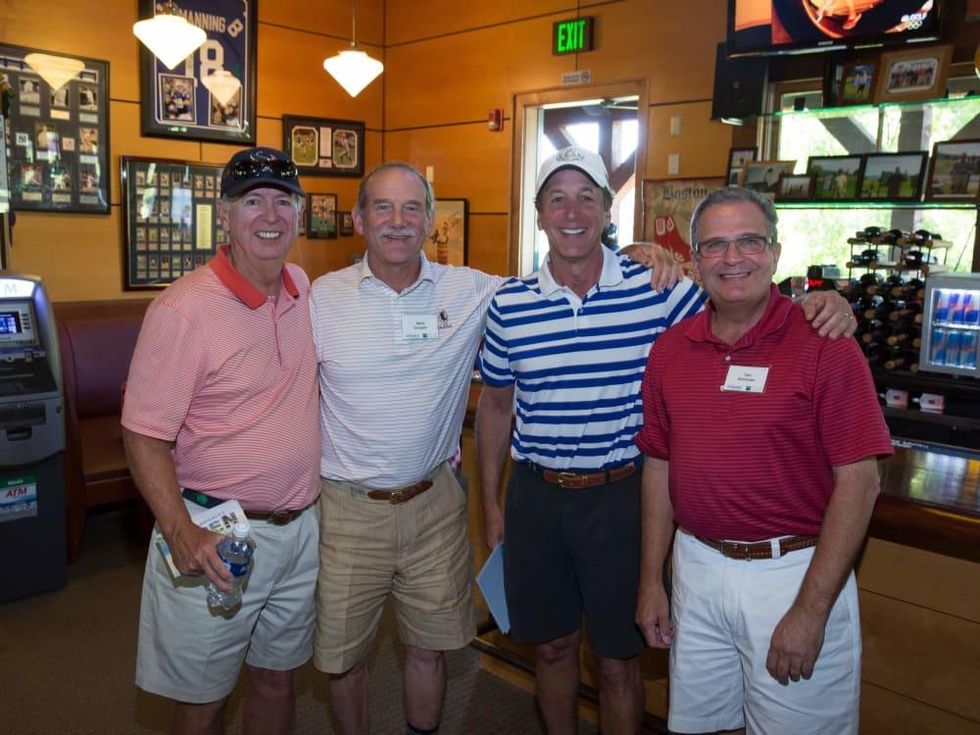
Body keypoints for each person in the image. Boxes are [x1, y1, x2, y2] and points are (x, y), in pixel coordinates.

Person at [476, 148, 855, 734]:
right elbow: (497, 407)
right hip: (537, 496)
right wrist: (493, 506)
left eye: (587, 198)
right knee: (550, 650)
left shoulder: (659, 289)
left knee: (618, 660)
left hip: (621, 496)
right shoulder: (509, 304)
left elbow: (745, 301)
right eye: (557, 198)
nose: (572, 211)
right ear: (538, 212)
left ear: (607, 210)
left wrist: (819, 304)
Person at [309, 160, 683, 734]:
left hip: (575, 499)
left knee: (602, 659)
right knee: (348, 658)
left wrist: (642, 250)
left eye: (413, 208)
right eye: (383, 207)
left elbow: (735, 315)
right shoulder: (320, 298)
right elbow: (497, 405)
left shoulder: (486, 291)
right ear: (359, 219)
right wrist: (493, 503)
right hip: (364, 505)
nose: (398, 221)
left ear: (431, 220)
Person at [634, 186, 893, 734]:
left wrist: (810, 609)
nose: (733, 259)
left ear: (775, 253)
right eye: (716, 245)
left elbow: (860, 485)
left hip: (792, 574)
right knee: (703, 727)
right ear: (695, 260)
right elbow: (659, 468)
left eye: (749, 241)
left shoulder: (826, 343)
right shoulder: (670, 351)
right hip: (696, 569)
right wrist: (651, 580)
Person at [122, 147, 319, 735]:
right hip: (215, 532)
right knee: (202, 700)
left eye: (283, 201)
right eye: (252, 200)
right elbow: (142, 434)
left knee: (278, 677)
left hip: (299, 530)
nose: (270, 214)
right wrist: (180, 528)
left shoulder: (302, 288)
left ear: (298, 215)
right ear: (225, 215)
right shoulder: (184, 310)